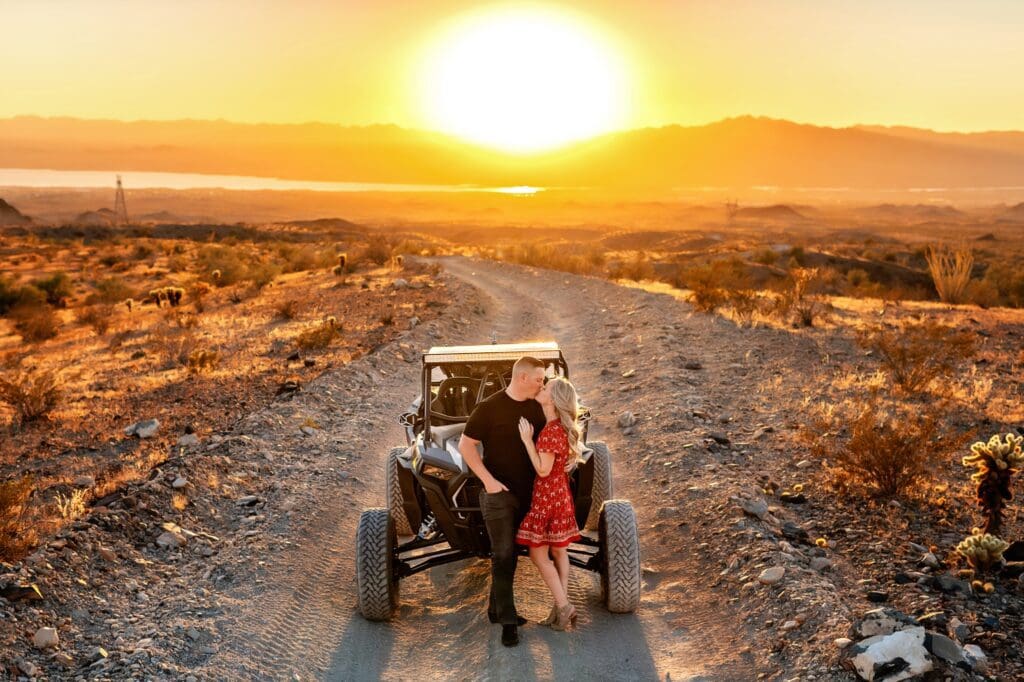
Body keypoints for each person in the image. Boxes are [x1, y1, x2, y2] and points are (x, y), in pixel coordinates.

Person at [458, 356, 547, 647]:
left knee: (512, 553)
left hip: (533, 492)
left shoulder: (539, 407)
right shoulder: (489, 408)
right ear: (522, 377)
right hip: (499, 494)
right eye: (539, 379)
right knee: (504, 552)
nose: (542, 384)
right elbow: (465, 445)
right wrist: (487, 481)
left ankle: (495, 609)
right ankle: (508, 621)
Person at [514, 376, 582, 631]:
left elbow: (543, 470)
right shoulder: (560, 428)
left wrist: (527, 441)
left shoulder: (550, 431)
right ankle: (560, 609)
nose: (542, 388)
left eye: (547, 387)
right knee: (559, 551)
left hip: (547, 498)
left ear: (553, 399)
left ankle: (564, 607)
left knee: (537, 553)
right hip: (560, 495)